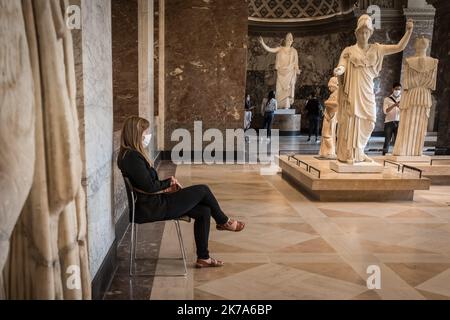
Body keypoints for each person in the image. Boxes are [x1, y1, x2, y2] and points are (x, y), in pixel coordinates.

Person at [117, 116, 245, 269]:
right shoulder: (132, 157)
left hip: (153, 203)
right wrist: (168, 182)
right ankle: (224, 221)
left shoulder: (130, 155)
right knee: (203, 190)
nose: (148, 135)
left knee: (204, 211)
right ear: (136, 134)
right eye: (146, 132)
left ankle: (204, 258)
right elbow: (150, 186)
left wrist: (166, 185)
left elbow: (146, 185)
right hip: (152, 207)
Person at [333, 15, 413, 164]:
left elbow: (399, 47)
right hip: (353, 89)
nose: (364, 35)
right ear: (356, 33)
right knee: (353, 119)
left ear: (370, 33)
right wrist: (340, 70)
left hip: (367, 89)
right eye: (361, 32)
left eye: (367, 32)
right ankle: (351, 153)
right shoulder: (349, 50)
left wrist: (408, 32)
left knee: (370, 120)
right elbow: (342, 64)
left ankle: (360, 150)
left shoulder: (377, 49)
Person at [259, 33, 301, 109]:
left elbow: (296, 63)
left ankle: (286, 105)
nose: (289, 41)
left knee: (288, 89)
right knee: (278, 89)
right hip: (281, 72)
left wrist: (297, 69)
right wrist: (263, 43)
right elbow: (270, 49)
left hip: (290, 72)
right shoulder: (280, 48)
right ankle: (278, 105)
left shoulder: (294, 51)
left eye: (290, 40)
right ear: (285, 40)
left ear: (292, 41)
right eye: (288, 39)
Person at [382, 82, 402, 155]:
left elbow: (404, 111)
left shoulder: (403, 99)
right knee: (387, 140)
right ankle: (384, 154)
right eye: (396, 89)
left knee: (397, 140)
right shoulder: (387, 99)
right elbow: (385, 111)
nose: (397, 91)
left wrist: (399, 106)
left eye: (399, 89)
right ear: (393, 89)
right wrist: (394, 105)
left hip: (399, 122)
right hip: (389, 122)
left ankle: (396, 154)